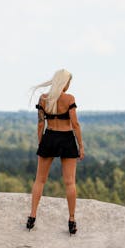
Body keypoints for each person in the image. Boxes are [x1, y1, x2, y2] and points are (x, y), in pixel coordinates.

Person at [26, 69, 84, 235]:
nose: (68, 86)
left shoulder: (43, 99)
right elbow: (75, 124)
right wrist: (81, 145)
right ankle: (72, 220)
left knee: (40, 180)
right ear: (63, 82)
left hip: (49, 137)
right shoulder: (69, 99)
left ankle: (32, 216)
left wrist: (41, 142)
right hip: (66, 139)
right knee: (70, 182)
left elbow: (40, 124)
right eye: (68, 82)